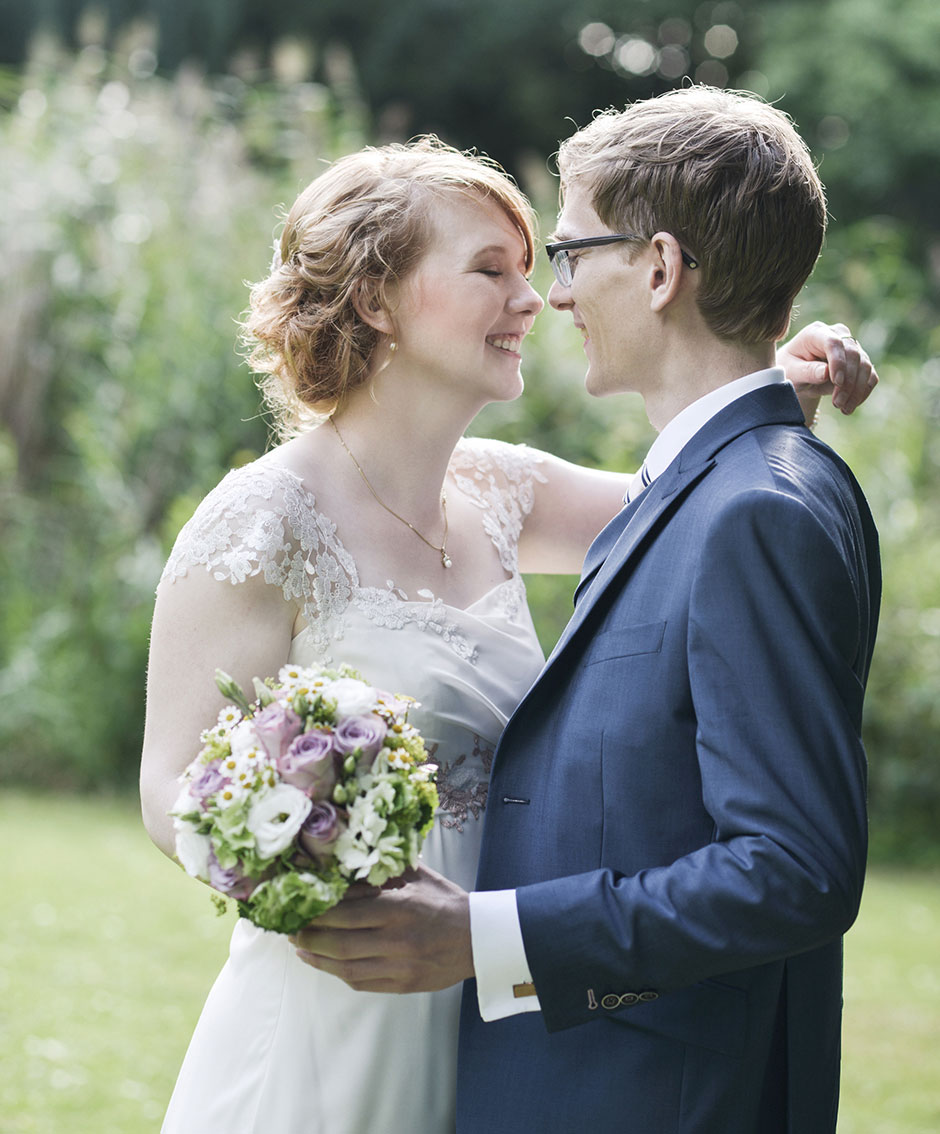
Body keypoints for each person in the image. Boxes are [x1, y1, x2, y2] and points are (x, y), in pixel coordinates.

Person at [140, 135, 875, 1134]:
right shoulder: (261, 521)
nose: (537, 301)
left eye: (538, 270)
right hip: (355, 993)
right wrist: (321, 870)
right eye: (491, 272)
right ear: (374, 299)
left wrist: (773, 372)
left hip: (508, 993)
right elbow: (172, 791)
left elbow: (693, 513)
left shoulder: (500, 490)